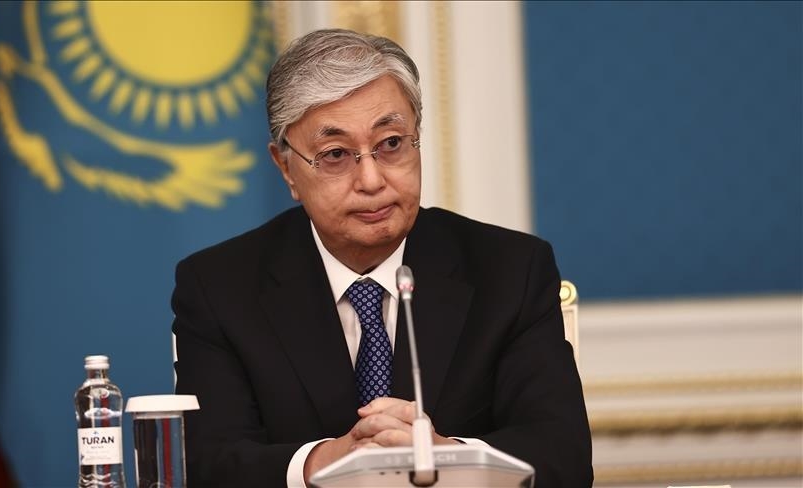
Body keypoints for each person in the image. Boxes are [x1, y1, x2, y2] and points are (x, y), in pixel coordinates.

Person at [172, 28, 592, 487]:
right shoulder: (219, 288)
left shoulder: (511, 270)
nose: (371, 180)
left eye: (391, 143)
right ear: (286, 168)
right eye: (336, 154)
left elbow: (563, 456)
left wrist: (448, 457)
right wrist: (325, 462)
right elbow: (208, 464)